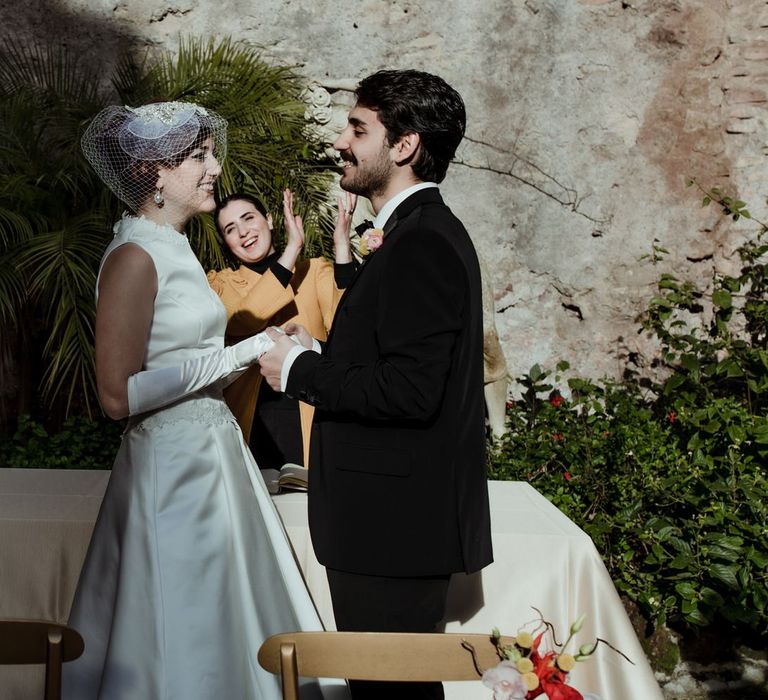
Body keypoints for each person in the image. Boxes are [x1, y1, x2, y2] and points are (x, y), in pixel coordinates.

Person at [64, 101, 329, 699]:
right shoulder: (134, 256)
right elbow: (115, 395)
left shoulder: (176, 246)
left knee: (232, 611)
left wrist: (269, 344)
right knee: (181, 619)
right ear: (156, 173)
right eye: (197, 157)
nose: (215, 167)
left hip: (213, 460)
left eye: (210, 152)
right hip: (172, 475)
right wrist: (243, 351)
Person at [259, 69, 494, 700]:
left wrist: (299, 373)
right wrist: (323, 354)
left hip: (390, 528)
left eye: (358, 129)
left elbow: (411, 392)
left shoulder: (422, 244)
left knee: (390, 695)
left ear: (405, 145)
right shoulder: (414, 237)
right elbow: (394, 362)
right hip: (389, 525)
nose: (341, 142)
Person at [207, 188, 356, 470]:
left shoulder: (314, 271)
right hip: (252, 423)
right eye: (230, 229)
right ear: (226, 242)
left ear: (271, 220)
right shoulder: (220, 284)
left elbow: (347, 325)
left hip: (311, 416)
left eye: (248, 218)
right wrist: (291, 249)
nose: (243, 232)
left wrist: (341, 246)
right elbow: (245, 320)